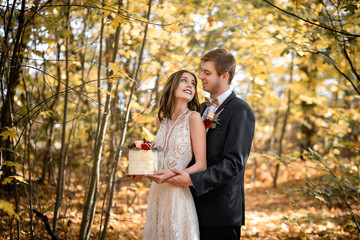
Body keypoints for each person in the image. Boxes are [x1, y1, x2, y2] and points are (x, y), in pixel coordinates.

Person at [166, 49, 256, 240]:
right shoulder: (199, 109)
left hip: (220, 213)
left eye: (207, 73)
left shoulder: (240, 110)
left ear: (224, 76)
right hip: (189, 208)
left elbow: (233, 163)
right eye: (201, 71)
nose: (200, 77)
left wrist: (191, 180)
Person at [129, 69, 207, 240]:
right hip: (157, 192)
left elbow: (201, 164)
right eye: (184, 81)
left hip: (178, 193)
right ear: (172, 86)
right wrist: (142, 171)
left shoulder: (194, 118)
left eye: (193, 83)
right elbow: (160, 160)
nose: (190, 85)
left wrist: (172, 173)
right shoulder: (161, 119)